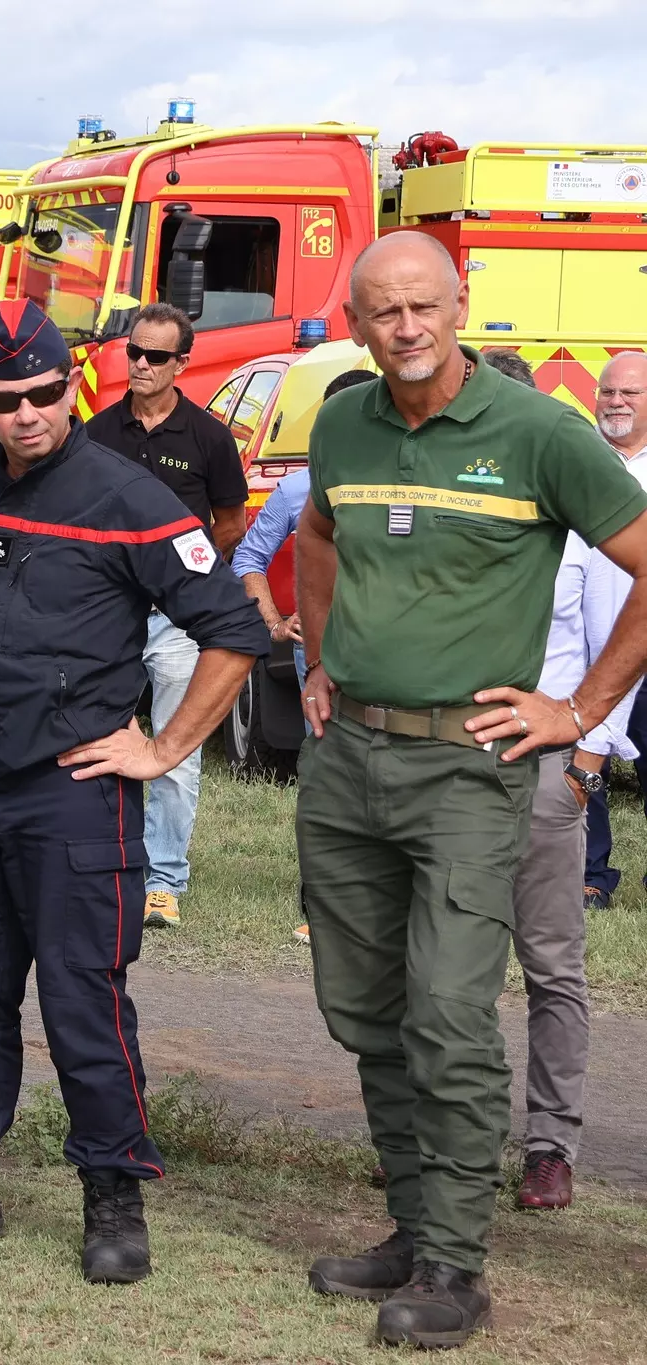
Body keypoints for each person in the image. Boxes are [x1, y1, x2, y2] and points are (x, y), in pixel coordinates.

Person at [0, 299, 266, 1283]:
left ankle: (112, 1194)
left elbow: (235, 631)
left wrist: (162, 749)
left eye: (43, 393)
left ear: (70, 385)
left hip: (76, 795)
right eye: (6, 401)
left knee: (83, 1000)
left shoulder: (128, 497)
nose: (27, 413)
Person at [294, 233, 647, 1349]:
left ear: (458, 308)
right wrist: (317, 660)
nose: (406, 328)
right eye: (383, 311)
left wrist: (578, 711)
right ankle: (411, 1227)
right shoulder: (343, 424)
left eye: (423, 307)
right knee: (364, 1010)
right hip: (347, 760)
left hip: (467, 768)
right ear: (356, 324)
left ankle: (453, 1263)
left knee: (447, 1012)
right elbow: (315, 533)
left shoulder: (540, 431)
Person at [506, 350, 647, 1213]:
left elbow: (612, 644)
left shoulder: (581, 510)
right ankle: (449, 1134)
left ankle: (550, 1146)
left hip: (545, 771)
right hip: (450, 766)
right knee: (445, 963)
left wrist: (586, 765)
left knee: (552, 964)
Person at [84, 303, 249, 929]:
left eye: (156, 356)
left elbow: (230, 523)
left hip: (178, 623)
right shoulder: (96, 434)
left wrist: (186, 581)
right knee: (94, 738)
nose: (142, 365)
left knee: (177, 747)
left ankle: (163, 881)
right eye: (134, 353)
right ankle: (98, 866)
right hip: (108, 619)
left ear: (182, 363)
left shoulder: (209, 438)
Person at [230, 366, 376, 948]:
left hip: (391, 659)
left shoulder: (405, 481)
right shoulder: (297, 489)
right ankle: (321, 908)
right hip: (319, 658)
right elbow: (248, 559)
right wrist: (274, 622)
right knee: (328, 780)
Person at [578, 352, 647, 910]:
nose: (616, 402)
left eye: (630, 393)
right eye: (607, 391)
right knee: (584, 760)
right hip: (583, 645)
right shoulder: (574, 460)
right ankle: (589, 876)